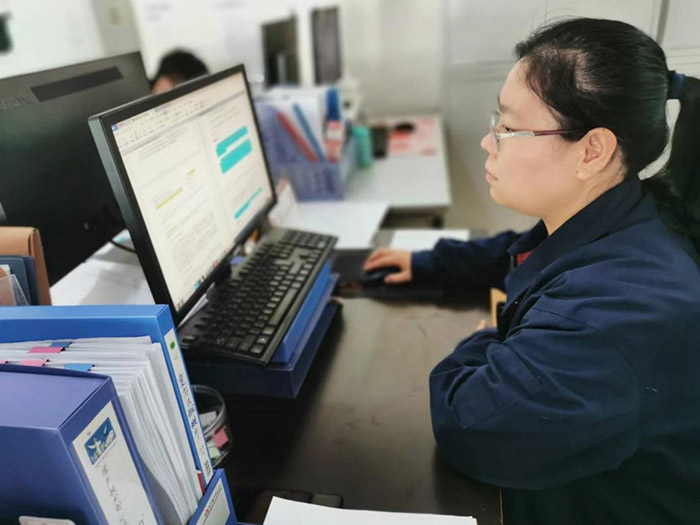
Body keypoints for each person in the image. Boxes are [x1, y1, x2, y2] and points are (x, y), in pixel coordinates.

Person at [364, 18, 700, 524]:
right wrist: (431, 262)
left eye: (508, 128)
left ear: (593, 151)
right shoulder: (625, 212)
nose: (488, 142)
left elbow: (470, 427)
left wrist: (488, 339)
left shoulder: (615, 317)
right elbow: (526, 252)